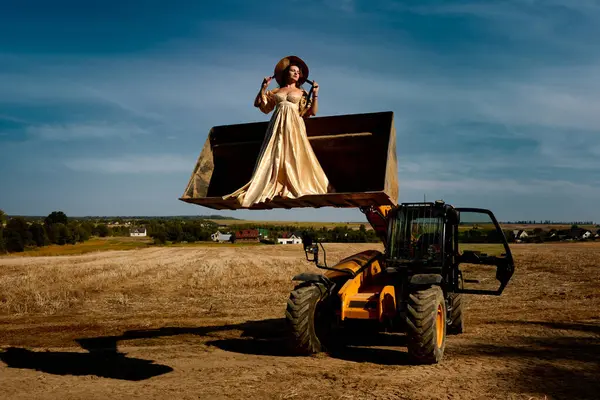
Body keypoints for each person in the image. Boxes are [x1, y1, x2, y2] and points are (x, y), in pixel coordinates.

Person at [223, 55, 331, 207]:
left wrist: (315, 93)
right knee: (274, 153)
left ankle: (293, 183)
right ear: (286, 73)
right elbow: (260, 105)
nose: (295, 74)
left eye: (298, 72)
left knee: (293, 152)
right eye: (293, 71)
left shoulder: (302, 92)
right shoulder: (277, 90)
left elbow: (311, 112)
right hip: (277, 124)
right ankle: (274, 183)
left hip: (294, 124)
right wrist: (263, 88)